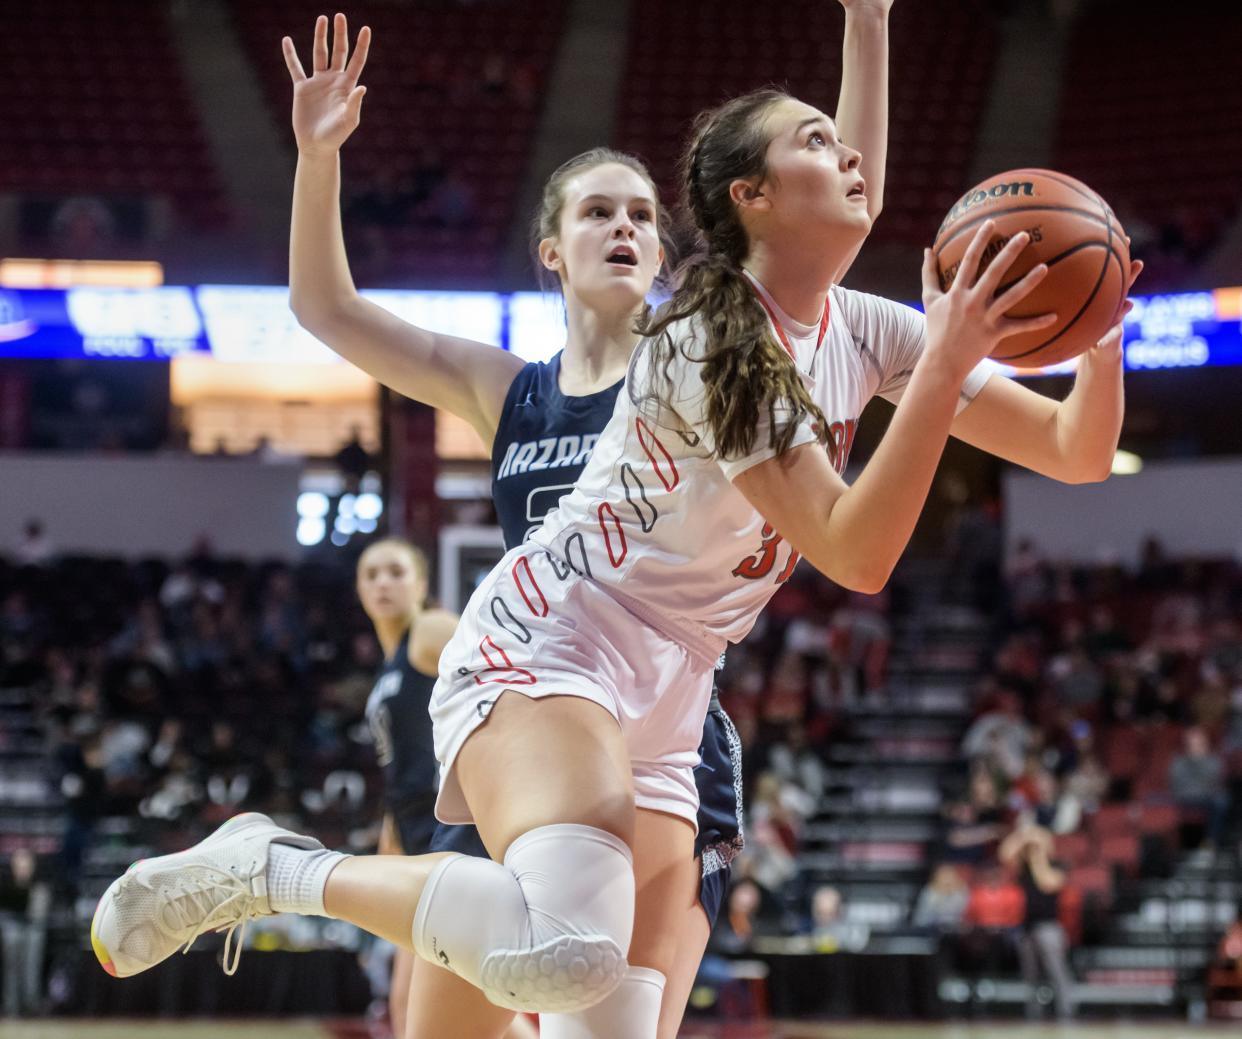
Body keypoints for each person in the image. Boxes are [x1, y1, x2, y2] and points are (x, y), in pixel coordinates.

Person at [92, 32, 1139, 1039]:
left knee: (597, 1016)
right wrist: (949, 369)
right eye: (814, 142)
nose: (850, 154)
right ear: (752, 196)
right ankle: (267, 867)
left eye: (842, 137)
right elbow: (855, 554)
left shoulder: (869, 329)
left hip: (677, 684)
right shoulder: (711, 331)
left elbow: (1076, 452)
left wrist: (1099, 334)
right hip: (558, 631)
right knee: (561, 949)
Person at [291, 9, 895, 1039]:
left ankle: (285, 874)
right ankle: (288, 871)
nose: (624, 228)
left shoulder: (707, 355)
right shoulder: (506, 389)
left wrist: (868, 26)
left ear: (666, 246)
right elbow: (328, 311)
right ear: (552, 251)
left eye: (643, 215)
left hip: (664, 735)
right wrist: (316, 159)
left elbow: (833, 235)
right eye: (596, 213)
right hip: (534, 723)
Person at [354, 539, 471, 1037]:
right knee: (412, 1012)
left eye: (396, 572)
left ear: (422, 585)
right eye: (372, 574)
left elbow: (500, 680)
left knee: (431, 1014)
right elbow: (401, 762)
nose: (383, 582)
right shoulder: (393, 659)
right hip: (414, 837)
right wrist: (390, 842)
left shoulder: (430, 630)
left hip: (450, 836)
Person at [999, 824, 1076, 1020]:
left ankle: (1066, 1010)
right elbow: (1004, 854)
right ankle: (1034, 1012)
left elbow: (1047, 882)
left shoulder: (1058, 865)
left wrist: (1038, 854)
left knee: (1056, 968)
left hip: (1049, 926)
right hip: (1027, 926)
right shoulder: (1022, 867)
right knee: (1030, 973)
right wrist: (1023, 835)